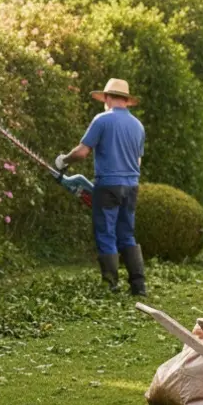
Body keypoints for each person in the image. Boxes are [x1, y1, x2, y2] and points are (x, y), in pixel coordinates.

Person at [55, 78, 147, 295]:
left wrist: (63, 160)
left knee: (106, 232)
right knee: (126, 234)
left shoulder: (102, 120)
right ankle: (138, 286)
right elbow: (138, 161)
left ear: (106, 97)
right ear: (126, 100)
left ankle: (110, 285)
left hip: (108, 185)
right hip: (131, 186)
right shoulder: (138, 126)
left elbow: (82, 152)